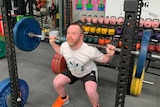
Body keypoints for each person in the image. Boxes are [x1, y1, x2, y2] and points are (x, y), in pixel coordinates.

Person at [49, 23, 116, 107]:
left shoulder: (90, 50)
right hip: (72, 70)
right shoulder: (64, 45)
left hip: (87, 72)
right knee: (57, 82)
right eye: (68, 33)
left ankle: (96, 106)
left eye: (73, 33)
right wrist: (53, 44)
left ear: (81, 36)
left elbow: (105, 60)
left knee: (91, 92)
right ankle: (64, 98)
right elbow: (60, 51)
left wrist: (110, 55)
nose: (69, 36)